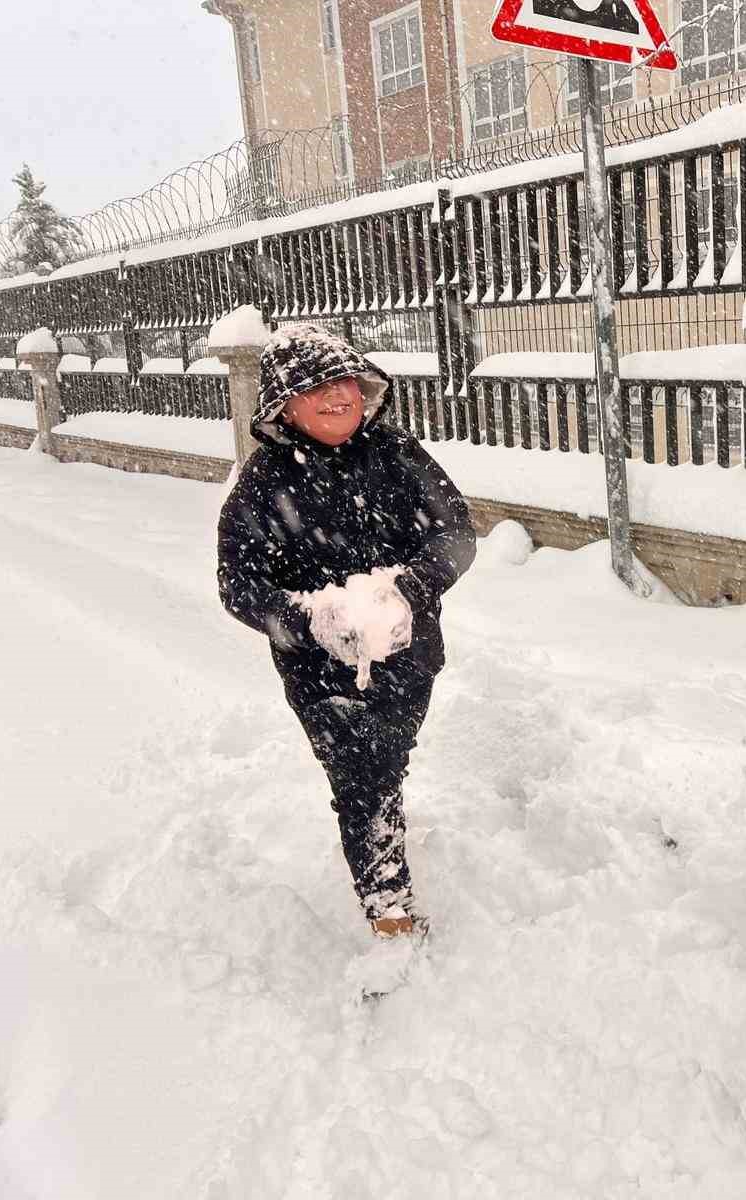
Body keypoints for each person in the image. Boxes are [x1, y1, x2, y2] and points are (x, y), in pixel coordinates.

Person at [217, 323, 476, 959]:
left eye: (346, 383)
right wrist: (314, 622)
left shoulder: (397, 453)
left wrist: (405, 590)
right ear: (283, 403)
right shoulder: (264, 483)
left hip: (409, 654)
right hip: (319, 671)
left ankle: (383, 821)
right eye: (317, 387)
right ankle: (390, 916)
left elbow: (456, 533)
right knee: (362, 777)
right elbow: (238, 581)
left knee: (388, 759)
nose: (338, 396)